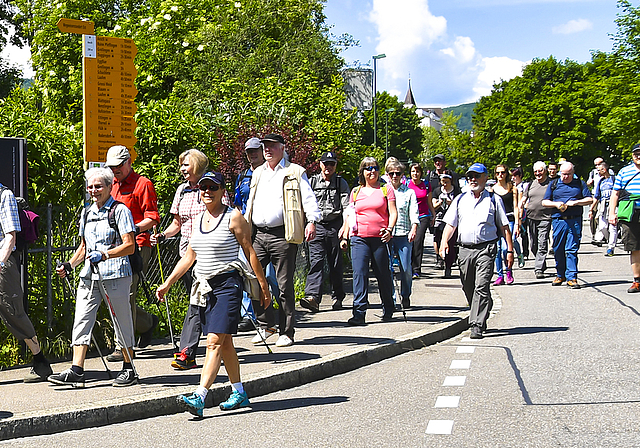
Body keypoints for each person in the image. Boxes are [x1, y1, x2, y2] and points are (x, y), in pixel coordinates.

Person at [157, 171, 271, 417]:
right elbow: (189, 256)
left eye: (213, 187)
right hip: (205, 288)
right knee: (225, 343)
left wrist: (263, 285)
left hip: (228, 284)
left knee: (213, 341)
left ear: (223, 192)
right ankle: (239, 392)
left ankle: (200, 395)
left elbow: (250, 252)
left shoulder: (234, 217)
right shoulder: (197, 221)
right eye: (203, 187)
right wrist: (167, 283)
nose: (207, 191)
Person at [50, 167, 137, 387]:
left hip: (115, 274)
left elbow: (129, 246)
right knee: (82, 319)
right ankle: (76, 369)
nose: (94, 190)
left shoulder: (119, 211)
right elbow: (84, 247)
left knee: (121, 320)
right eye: (90, 186)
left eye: (98, 186)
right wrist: (69, 265)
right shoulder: (87, 212)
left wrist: (106, 254)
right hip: (89, 276)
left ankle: (129, 368)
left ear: (109, 186)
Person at [244, 133, 321, 347]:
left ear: (282, 147)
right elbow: (251, 201)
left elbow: (308, 198)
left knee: (284, 284)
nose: (267, 150)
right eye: (264, 146)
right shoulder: (258, 173)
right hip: (258, 235)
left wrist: (312, 221)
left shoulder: (294, 171)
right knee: (252, 278)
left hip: (283, 235)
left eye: (271, 146)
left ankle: (286, 331)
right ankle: (265, 325)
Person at [151, 149, 208, 369]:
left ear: (198, 165)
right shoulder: (182, 191)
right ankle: (211, 344)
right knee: (196, 301)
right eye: (181, 165)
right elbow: (177, 224)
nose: (182, 169)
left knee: (198, 301)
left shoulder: (211, 187)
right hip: (186, 254)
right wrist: (163, 235)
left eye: (186, 165)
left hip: (207, 253)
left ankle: (187, 351)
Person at [440, 163, 512, 339]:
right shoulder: (460, 199)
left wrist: (509, 250)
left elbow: (504, 227)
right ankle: (484, 306)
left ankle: (476, 324)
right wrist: (444, 243)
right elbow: (450, 224)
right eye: (470, 176)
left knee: (481, 286)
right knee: (468, 286)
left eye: (477, 176)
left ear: (485, 178)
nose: (473, 180)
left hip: (486, 249)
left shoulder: (494, 200)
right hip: (464, 249)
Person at [104, 145, 160, 362]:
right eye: (111, 167)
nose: (115, 170)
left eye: (118, 166)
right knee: (110, 295)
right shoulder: (110, 184)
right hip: (113, 247)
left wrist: (133, 228)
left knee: (126, 294)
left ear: (128, 162)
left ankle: (124, 346)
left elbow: (153, 217)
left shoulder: (142, 184)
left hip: (137, 245)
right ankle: (147, 322)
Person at [0, 183, 53, 383]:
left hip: (2, 263)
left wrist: (1, 262)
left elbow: (10, 237)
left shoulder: (5, 196)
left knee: (12, 311)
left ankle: (40, 360)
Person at [339, 156, 398, 326]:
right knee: (359, 274)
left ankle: (388, 306)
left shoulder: (386, 189)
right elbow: (350, 215)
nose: (372, 171)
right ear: (362, 172)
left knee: (383, 274)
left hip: (380, 238)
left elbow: (393, 212)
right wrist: (345, 236)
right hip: (359, 238)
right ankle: (359, 313)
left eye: (375, 168)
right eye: (368, 168)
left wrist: (389, 229)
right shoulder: (356, 192)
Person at [233, 137, 280, 331]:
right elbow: (237, 202)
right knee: (248, 272)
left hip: (265, 228)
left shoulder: (271, 174)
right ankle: (250, 315)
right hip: (246, 229)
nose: (252, 154)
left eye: (255, 151)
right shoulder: (243, 176)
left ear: (262, 151)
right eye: (249, 152)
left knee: (271, 275)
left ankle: (282, 308)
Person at [301, 151, 349, 312]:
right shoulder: (313, 181)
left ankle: (338, 297)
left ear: (335, 165)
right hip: (318, 225)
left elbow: (346, 206)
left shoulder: (340, 183)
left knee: (335, 263)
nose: (328, 167)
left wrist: (345, 228)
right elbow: (306, 204)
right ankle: (313, 297)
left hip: (335, 225)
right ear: (320, 164)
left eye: (332, 164)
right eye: (325, 163)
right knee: (316, 261)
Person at [542, 161, 592, 289]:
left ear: (573, 173)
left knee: (571, 249)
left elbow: (590, 199)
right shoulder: (554, 184)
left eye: (568, 174)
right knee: (558, 248)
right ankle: (560, 274)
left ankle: (572, 277)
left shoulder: (579, 184)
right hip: (559, 220)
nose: (565, 177)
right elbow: (545, 202)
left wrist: (576, 203)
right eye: (563, 174)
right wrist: (556, 204)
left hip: (574, 220)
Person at [386, 159, 418, 309]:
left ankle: (405, 295)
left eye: (397, 173)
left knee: (405, 268)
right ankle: (391, 299)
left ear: (402, 175)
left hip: (403, 234)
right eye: (391, 173)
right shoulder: (383, 191)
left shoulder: (409, 192)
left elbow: (413, 212)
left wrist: (414, 227)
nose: (394, 176)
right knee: (388, 269)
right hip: (388, 234)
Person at [608, 143, 640, 293]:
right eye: (636, 153)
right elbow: (615, 193)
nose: (638, 156)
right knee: (634, 247)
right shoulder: (624, 172)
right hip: (629, 213)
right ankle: (637, 280)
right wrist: (611, 213)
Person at [491, 164, 522, 285]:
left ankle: (508, 270)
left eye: (502, 172)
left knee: (506, 247)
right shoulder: (492, 189)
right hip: (496, 221)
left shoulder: (512, 188)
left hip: (509, 220)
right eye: (498, 173)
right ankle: (500, 275)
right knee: (497, 249)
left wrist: (517, 223)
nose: (500, 175)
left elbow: (516, 207)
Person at [522, 161, 552, 279]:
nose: (538, 173)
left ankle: (538, 268)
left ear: (545, 171)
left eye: (540, 171)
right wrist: (521, 204)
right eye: (535, 171)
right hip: (531, 217)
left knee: (542, 242)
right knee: (533, 245)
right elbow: (524, 197)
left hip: (546, 217)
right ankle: (541, 262)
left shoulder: (551, 184)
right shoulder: (531, 184)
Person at [407, 163, 435, 277]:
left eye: (417, 171)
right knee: (409, 242)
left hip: (423, 216)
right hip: (409, 217)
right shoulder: (406, 184)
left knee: (418, 241)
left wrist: (433, 214)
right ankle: (407, 267)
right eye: (413, 171)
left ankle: (416, 269)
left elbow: (429, 202)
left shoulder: (426, 185)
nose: (415, 174)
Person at [432, 170, 459, 278]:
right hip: (439, 220)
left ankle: (448, 267)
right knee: (438, 242)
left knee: (450, 244)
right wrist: (440, 203)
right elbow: (433, 206)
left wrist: (450, 203)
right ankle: (440, 259)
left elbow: (459, 206)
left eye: (446, 181)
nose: (444, 184)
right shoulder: (437, 191)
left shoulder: (456, 192)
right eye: (442, 181)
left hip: (452, 221)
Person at [590, 161, 617, 256]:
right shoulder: (601, 181)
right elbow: (596, 196)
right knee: (602, 226)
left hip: (613, 205)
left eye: (599, 170)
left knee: (612, 227)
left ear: (604, 170)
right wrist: (591, 209)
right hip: (602, 206)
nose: (598, 172)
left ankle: (611, 247)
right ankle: (610, 239)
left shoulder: (614, 180)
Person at [511, 167, 529, 261]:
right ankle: (518, 253)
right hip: (512, 213)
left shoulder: (524, 186)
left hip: (523, 212)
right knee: (513, 237)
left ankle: (525, 252)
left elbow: (522, 203)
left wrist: (521, 216)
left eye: (515, 175)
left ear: (520, 176)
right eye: (512, 176)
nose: (513, 178)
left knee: (524, 233)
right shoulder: (510, 186)